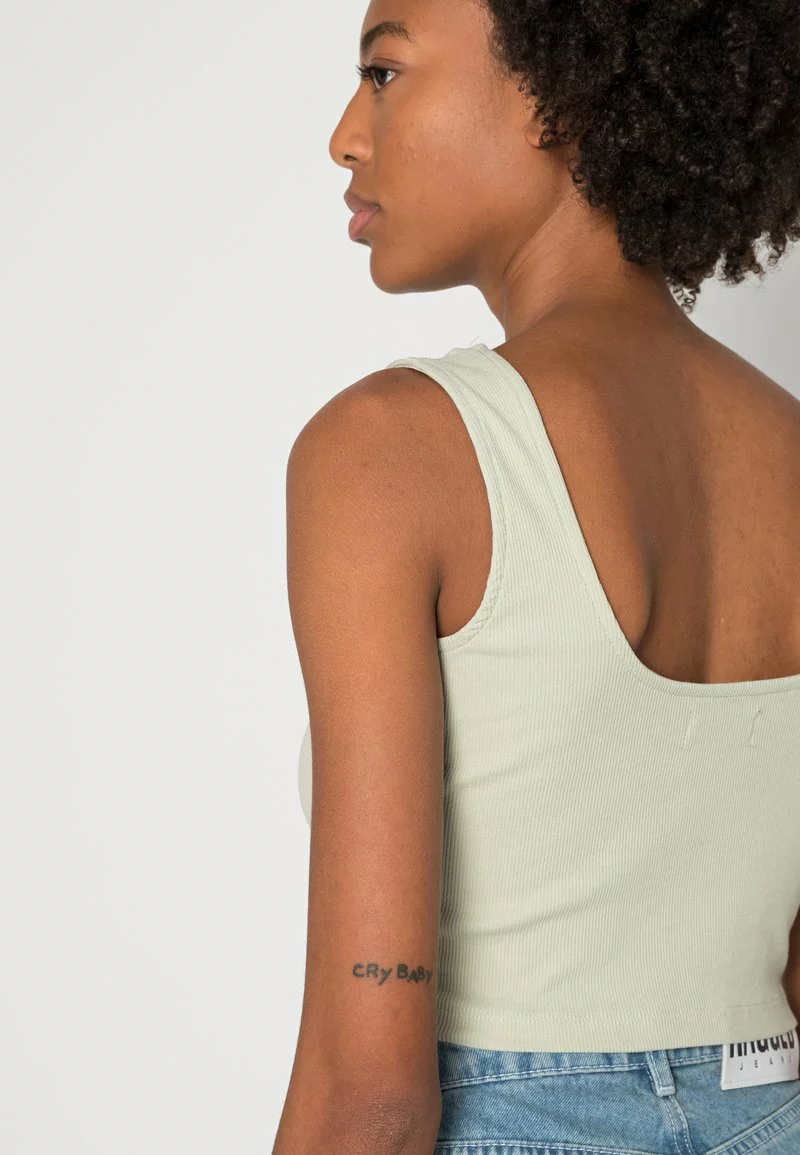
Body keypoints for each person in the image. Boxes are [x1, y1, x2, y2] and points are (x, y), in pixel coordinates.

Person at [274, 1, 800, 1152]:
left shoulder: (391, 450)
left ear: (557, 93)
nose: (345, 136)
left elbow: (372, 1091)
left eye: (383, 72)